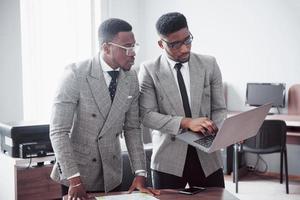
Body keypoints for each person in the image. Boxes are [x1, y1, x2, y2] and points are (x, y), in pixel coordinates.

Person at [50, 18, 158, 199]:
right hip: (77, 174)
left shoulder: (131, 77)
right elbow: (58, 131)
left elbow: (132, 128)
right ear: (106, 48)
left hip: (112, 172)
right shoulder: (75, 74)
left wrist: (140, 173)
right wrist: (74, 179)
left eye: (134, 47)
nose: (133, 54)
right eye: (127, 48)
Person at [138, 12, 227, 189]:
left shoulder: (209, 64)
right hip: (168, 158)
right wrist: (187, 123)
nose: (185, 48)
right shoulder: (149, 70)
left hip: (208, 156)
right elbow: (146, 116)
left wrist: (225, 132)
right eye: (175, 44)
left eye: (188, 40)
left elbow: (219, 109)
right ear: (161, 44)